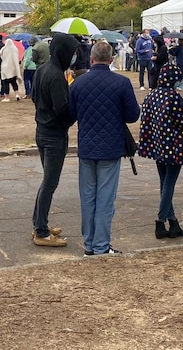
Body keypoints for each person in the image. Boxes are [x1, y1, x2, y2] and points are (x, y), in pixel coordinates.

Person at [69, 41, 140, 256]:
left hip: (87, 146)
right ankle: (101, 245)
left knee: (87, 197)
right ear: (111, 60)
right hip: (110, 146)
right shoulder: (122, 83)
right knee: (105, 199)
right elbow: (132, 115)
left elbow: (71, 114)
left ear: (91, 59)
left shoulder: (78, 84)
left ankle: (89, 243)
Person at [137, 63, 183, 239]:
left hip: (157, 145)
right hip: (174, 146)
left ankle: (173, 222)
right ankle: (160, 221)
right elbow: (182, 119)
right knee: (169, 183)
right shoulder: (173, 96)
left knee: (164, 183)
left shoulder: (152, 95)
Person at [31, 33, 79, 247]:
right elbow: (62, 109)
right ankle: (41, 232)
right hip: (54, 135)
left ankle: (40, 223)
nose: (73, 57)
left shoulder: (42, 69)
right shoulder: (56, 76)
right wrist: (75, 113)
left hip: (41, 130)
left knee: (47, 182)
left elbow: (35, 96)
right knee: (50, 183)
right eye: (72, 53)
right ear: (63, 53)